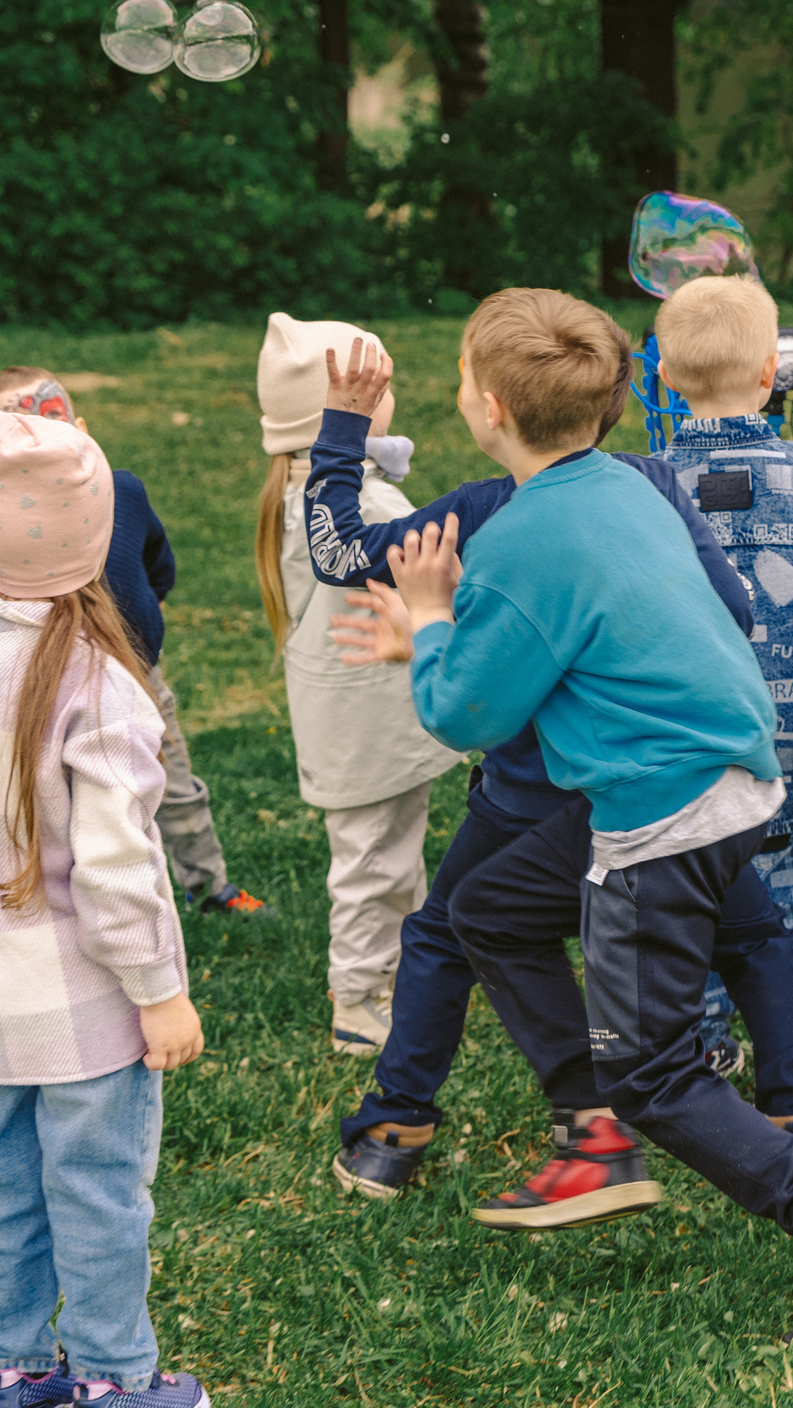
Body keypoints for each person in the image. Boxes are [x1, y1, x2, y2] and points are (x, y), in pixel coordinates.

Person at [355, 288, 793, 1363]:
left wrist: (433, 619)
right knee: (489, 905)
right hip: (728, 767)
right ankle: (591, 1134)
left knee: (657, 1070)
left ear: (485, 408)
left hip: (659, 812)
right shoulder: (629, 481)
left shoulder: (520, 538)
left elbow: (463, 714)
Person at [307, 338, 793, 1209]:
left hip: (562, 786)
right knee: (744, 925)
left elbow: (342, 555)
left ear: (494, 410)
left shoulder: (491, 514)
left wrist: (340, 436)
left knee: (453, 925)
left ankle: (399, 1126)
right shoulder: (650, 485)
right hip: (670, 770)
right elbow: (734, 606)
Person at [0, 409, 208, 1408]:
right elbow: (117, 870)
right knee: (98, 1196)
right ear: (98, 537)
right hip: (87, 1015)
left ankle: (16, 1369)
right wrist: (159, 993)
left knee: (1, 1191)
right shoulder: (102, 685)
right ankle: (114, 1381)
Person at [653, 276, 793, 1063]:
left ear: (665, 378)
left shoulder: (644, 491)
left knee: (692, 902)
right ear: (770, 371)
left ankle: (705, 1041)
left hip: (685, 759)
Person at [0, 368, 269, 920]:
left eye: (51, 424)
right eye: (16, 433)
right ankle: (54, 896)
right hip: (46, 687)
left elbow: (158, 562)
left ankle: (210, 889)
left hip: (137, 679)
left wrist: (148, 608)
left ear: (81, 429)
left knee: (174, 788)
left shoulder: (122, 491)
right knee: (60, 797)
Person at [253, 316, 466, 1056]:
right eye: (379, 387)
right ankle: (357, 1001)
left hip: (356, 718)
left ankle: (393, 975)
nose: (394, 395)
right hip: (369, 722)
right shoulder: (365, 507)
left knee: (386, 855)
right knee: (374, 863)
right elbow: (436, 571)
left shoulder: (305, 492)